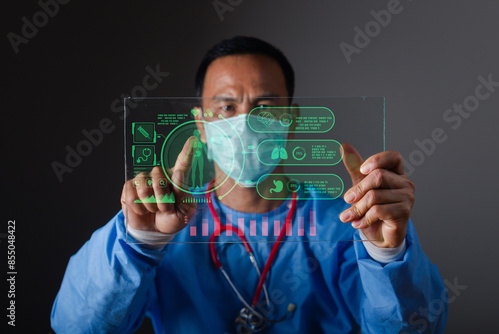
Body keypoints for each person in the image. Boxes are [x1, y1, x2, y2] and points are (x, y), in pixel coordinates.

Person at [51, 36, 448, 333]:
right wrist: (140, 241)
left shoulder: (345, 220)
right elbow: (75, 326)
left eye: (265, 106)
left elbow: (415, 328)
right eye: (227, 106)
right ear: (202, 123)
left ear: (291, 120)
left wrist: (385, 255)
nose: (245, 121)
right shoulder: (164, 222)